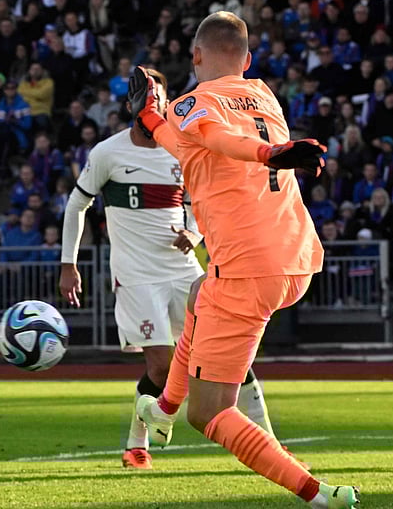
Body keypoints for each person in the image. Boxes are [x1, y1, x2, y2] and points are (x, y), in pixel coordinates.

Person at [128, 10, 358, 509]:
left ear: (195, 57)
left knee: (209, 413)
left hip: (247, 268)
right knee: (195, 293)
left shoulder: (194, 105)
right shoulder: (264, 95)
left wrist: (267, 152)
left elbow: (213, 137)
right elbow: (198, 143)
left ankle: (323, 496)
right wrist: (156, 120)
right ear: (247, 60)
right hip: (295, 254)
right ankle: (159, 410)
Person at [60, 69, 276, 470]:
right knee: (161, 366)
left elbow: (201, 200)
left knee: (234, 357)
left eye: (160, 96)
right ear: (130, 105)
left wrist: (194, 234)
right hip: (137, 275)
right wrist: (68, 264)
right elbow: (77, 206)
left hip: (183, 270)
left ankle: (271, 441)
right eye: (147, 96)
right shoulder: (108, 153)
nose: (155, 103)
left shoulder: (180, 149)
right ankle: (136, 444)